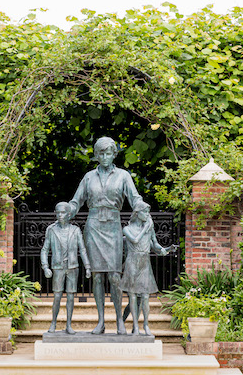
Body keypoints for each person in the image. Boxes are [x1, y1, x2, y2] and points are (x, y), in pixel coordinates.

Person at [69, 136, 144, 335]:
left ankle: (119, 319)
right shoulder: (88, 177)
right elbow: (76, 201)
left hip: (112, 226)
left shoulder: (123, 176)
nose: (104, 156)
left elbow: (134, 198)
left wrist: (142, 209)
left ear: (114, 154)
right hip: (93, 227)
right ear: (96, 155)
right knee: (97, 277)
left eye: (108, 153)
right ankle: (101, 321)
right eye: (100, 153)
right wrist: (67, 210)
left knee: (114, 276)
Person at [120, 202, 175, 336]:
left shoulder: (149, 229)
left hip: (145, 263)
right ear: (137, 213)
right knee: (132, 296)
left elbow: (155, 245)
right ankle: (135, 327)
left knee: (145, 297)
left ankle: (145, 325)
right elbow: (134, 240)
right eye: (145, 212)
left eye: (148, 212)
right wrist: (145, 229)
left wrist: (166, 249)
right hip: (132, 263)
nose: (147, 214)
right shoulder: (127, 229)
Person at [41, 202, 91, 334]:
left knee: (70, 296)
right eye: (58, 212)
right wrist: (45, 267)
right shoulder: (51, 230)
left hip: (73, 267)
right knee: (57, 296)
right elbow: (45, 250)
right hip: (58, 267)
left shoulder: (75, 230)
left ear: (69, 215)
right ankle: (53, 323)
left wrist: (87, 266)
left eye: (62, 213)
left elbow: (83, 249)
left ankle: (69, 324)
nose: (60, 215)